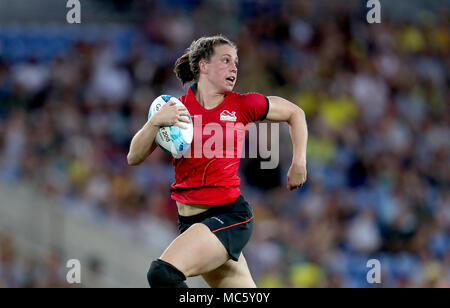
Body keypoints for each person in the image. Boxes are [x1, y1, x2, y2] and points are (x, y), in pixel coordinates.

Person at [127, 35, 308, 288]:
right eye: (226, 60)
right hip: (192, 223)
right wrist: (154, 122)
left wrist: (299, 161)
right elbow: (133, 157)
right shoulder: (177, 110)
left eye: (235, 62)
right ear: (204, 66)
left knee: (162, 274)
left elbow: (294, 113)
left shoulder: (243, 104)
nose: (234, 67)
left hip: (229, 216)